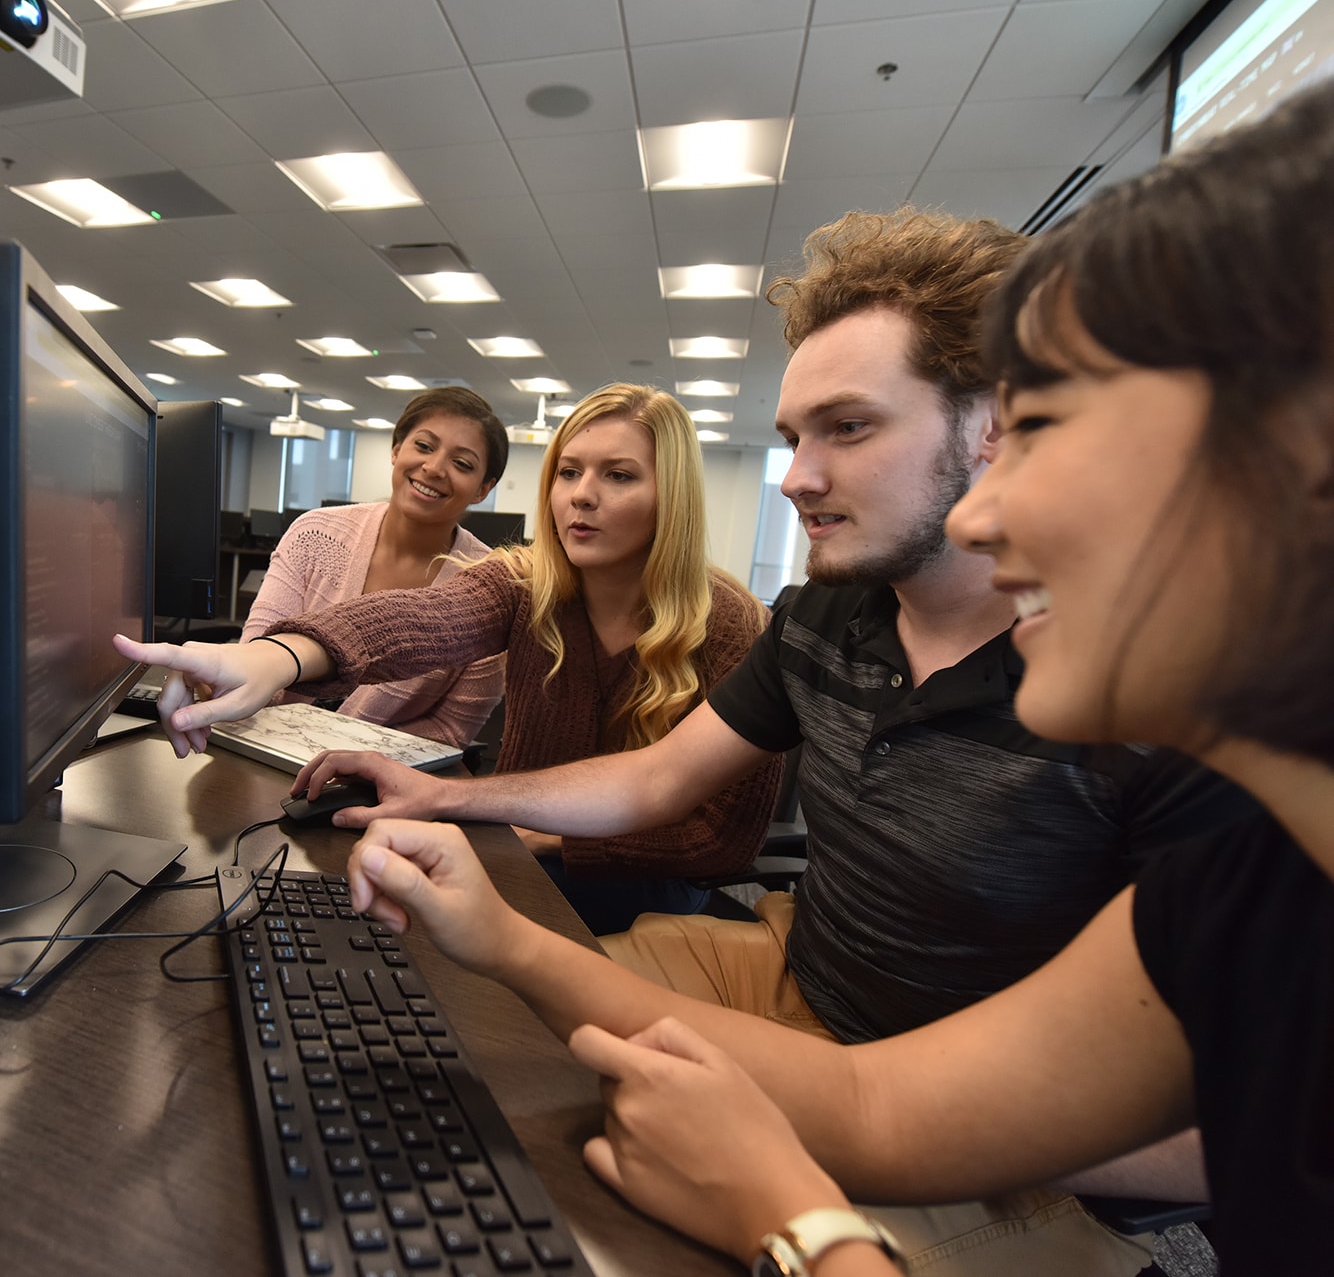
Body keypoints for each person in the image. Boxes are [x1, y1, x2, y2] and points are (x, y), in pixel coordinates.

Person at [144, 210, 1261, 1274]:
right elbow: (651, 772)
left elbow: (1199, 1119)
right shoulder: (832, 609)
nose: (796, 477)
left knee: (575, 1164)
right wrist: (426, 783)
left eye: (849, 427)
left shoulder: (1157, 693)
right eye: (790, 438)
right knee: (464, 1044)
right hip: (793, 968)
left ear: (993, 424)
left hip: (984, 1109)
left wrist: (812, 1152)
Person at [343, 81, 1334, 1273]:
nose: (1001, 506)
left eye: (1055, 429)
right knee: (469, 1072)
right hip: (831, 1009)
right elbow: (870, 1095)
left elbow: (956, 1120)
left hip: (1009, 1143)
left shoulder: (1215, 794)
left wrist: (801, 1220)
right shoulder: (1248, 874)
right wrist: (467, 856)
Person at [116, 383, 782, 933]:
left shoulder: (730, 624)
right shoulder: (525, 584)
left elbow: (723, 840)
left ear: (672, 498)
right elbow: (415, 620)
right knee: (341, 910)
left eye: (619, 476)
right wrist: (277, 658)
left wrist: (539, 834)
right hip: (516, 853)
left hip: (648, 891)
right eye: (569, 472)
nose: (582, 494)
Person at [241, 386, 507, 747]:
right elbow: (255, 656)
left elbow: (451, 730)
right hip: (260, 748)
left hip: (375, 787)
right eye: (424, 446)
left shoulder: (491, 590)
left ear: (483, 489)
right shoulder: (316, 533)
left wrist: (351, 757)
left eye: (462, 464)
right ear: (396, 450)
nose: (433, 468)